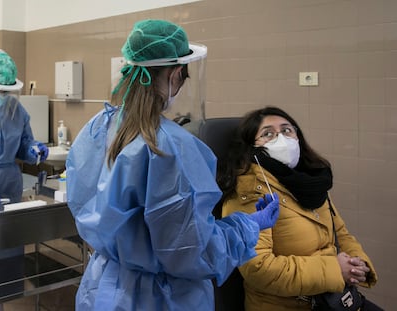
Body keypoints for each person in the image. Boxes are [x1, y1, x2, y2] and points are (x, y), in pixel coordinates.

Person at [66, 19, 279, 311]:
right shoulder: (171, 147)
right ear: (176, 74)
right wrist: (247, 226)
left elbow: (82, 201)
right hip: (158, 298)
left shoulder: (100, 126)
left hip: (102, 288)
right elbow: (190, 252)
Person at [218, 106, 381, 310]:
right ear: (251, 148)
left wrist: (358, 263)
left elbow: (341, 234)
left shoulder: (313, 182)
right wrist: (335, 270)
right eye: (268, 134)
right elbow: (258, 269)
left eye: (287, 130)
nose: (282, 139)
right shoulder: (249, 192)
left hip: (334, 298)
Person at [0, 49, 49, 205]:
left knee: (10, 226)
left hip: (11, 183)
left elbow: (23, 143)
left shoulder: (15, 109)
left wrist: (33, 149)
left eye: (5, 91)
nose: (1, 94)